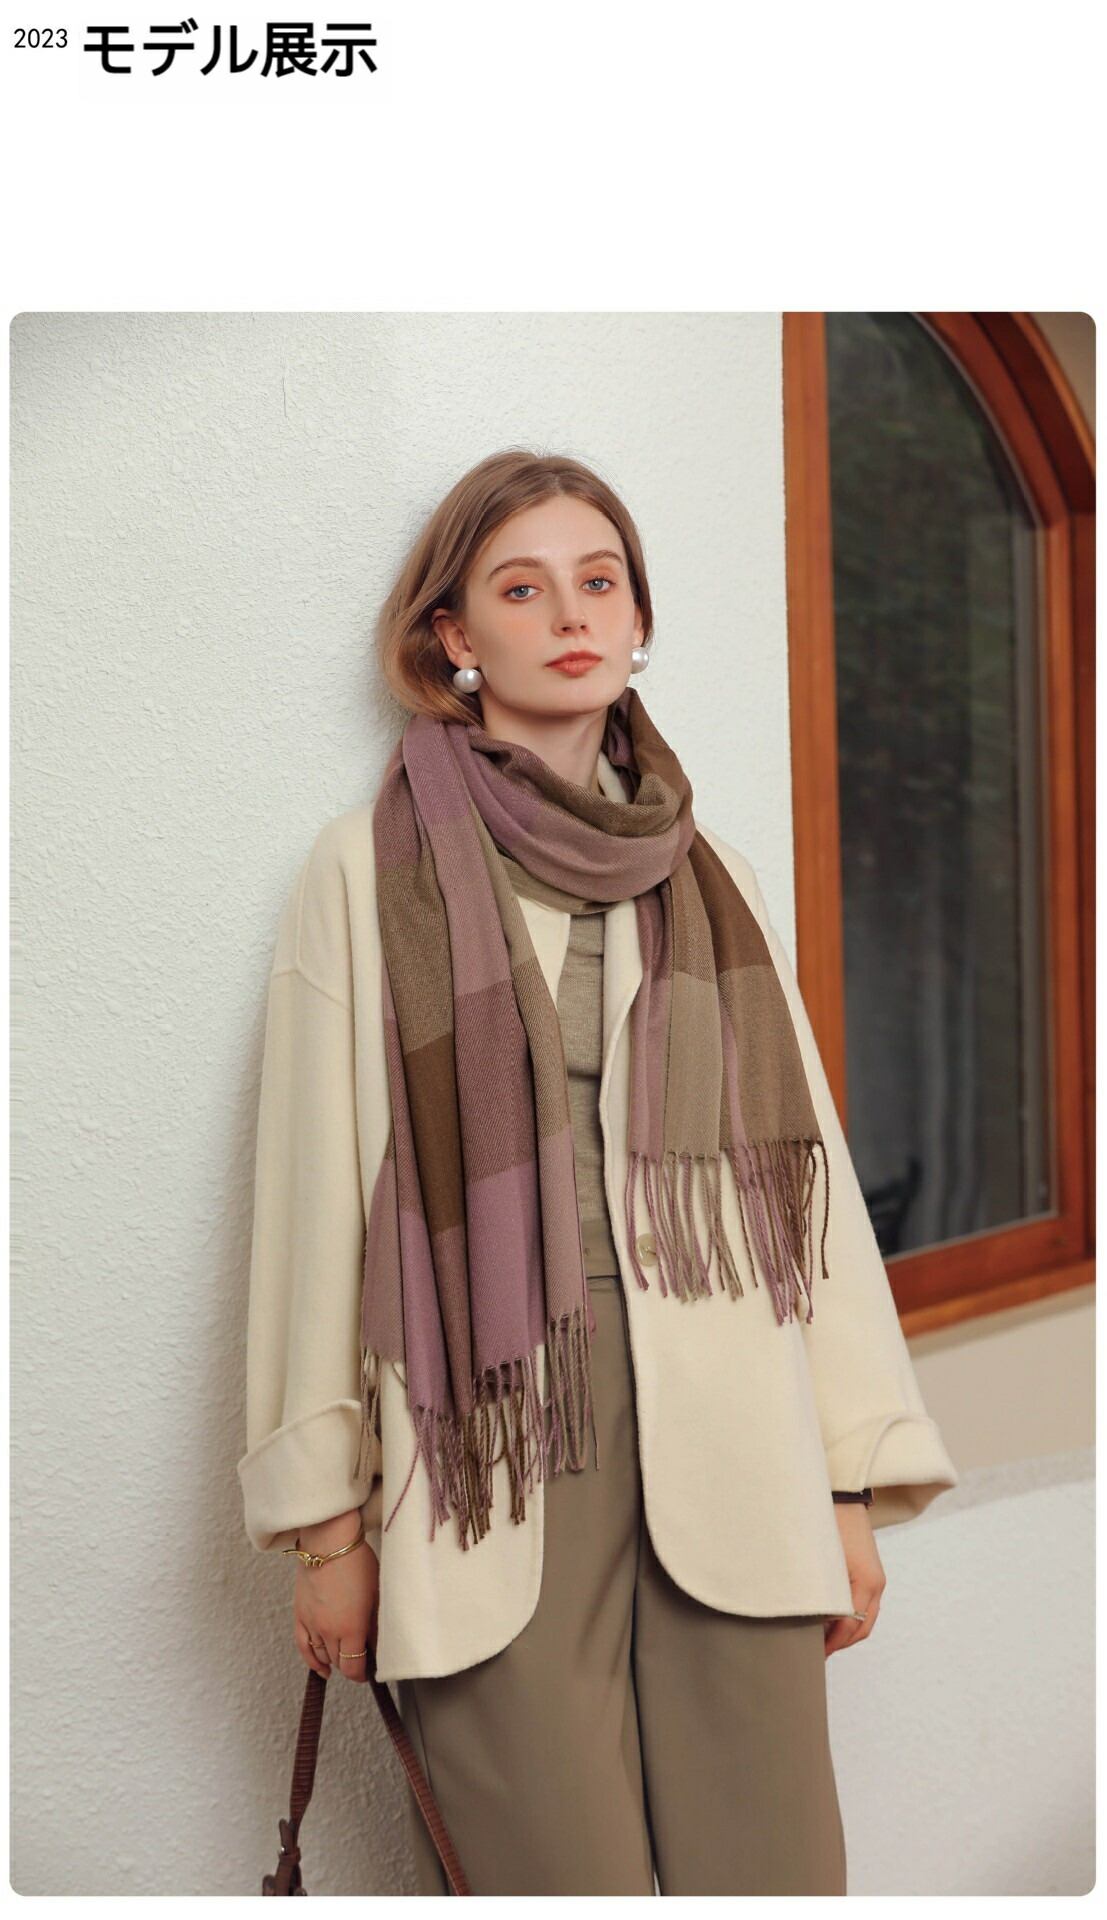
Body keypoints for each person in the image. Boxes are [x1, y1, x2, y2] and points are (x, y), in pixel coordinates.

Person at [239, 448, 959, 1895]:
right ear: (454, 636)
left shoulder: (713, 876)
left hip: (731, 1426)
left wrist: (847, 1486)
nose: (571, 614)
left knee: (769, 1871)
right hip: (498, 1431)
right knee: (555, 1872)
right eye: (521, 588)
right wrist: (326, 1527)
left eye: (599, 580)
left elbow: (803, 1204)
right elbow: (315, 1207)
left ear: (637, 619)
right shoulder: (365, 870)